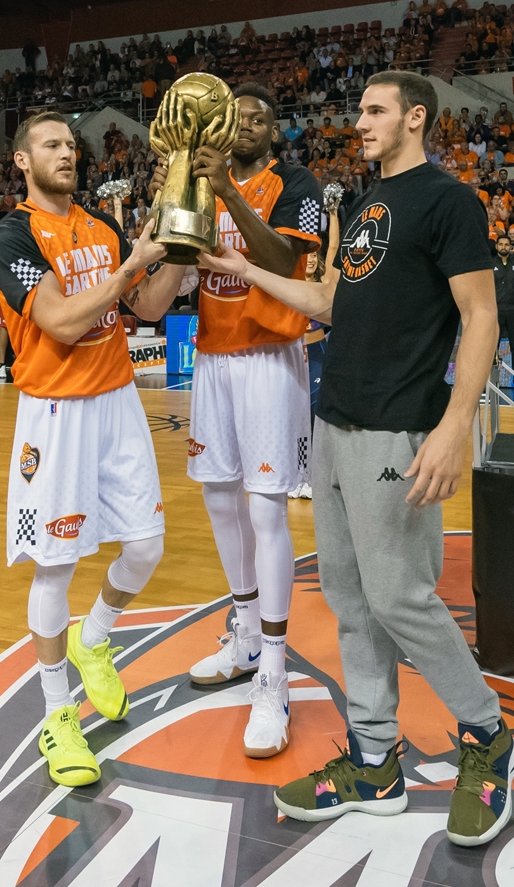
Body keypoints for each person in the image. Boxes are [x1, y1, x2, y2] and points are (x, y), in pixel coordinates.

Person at [200, 71, 514, 848]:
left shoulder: (449, 201)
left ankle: (486, 737)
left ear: (416, 117)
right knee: (347, 596)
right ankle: (375, 760)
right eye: (361, 110)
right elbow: (328, 302)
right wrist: (243, 270)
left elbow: (481, 317)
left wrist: (453, 426)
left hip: (395, 428)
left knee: (401, 596)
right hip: (335, 421)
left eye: (375, 111)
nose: (360, 122)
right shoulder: (370, 203)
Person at [0, 111, 190, 789]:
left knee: (147, 546)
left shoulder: (99, 226)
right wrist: (132, 263)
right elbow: (63, 322)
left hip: (117, 401)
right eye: (51, 145)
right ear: (22, 161)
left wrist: (176, 251)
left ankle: (94, 637)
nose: (66, 154)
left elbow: (151, 307)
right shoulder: (11, 235)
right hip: (55, 414)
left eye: (71, 145)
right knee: (55, 566)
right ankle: (56, 714)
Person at [142, 83, 323, 758]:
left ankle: (274, 676)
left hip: (272, 356)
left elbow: (281, 260)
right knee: (220, 499)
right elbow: (174, 271)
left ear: (274, 131)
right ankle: (246, 635)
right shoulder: (196, 182)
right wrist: (174, 195)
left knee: (268, 511)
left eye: (259, 118)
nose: (246, 124)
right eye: (236, 116)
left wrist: (229, 194)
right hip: (213, 358)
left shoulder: (294, 181)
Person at [492, 234, 514, 402]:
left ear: (510, 246)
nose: (504, 247)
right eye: (501, 244)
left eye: (507, 244)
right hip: (496, 310)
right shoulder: (490, 264)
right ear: (497, 246)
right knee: (492, 349)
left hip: (513, 309)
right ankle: (491, 382)